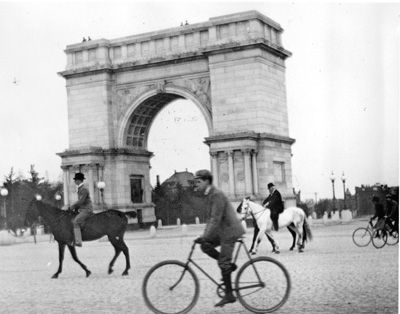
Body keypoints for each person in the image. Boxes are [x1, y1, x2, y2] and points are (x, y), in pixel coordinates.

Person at [193, 169, 245, 308]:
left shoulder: (216, 195)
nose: (196, 185)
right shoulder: (209, 194)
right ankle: (229, 266)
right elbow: (210, 220)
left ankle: (229, 295)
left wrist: (205, 236)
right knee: (205, 245)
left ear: (206, 181)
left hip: (230, 231)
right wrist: (203, 237)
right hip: (223, 231)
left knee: (222, 261)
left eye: (198, 182)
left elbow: (215, 219)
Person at [69, 172, 93, 246]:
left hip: (87, 209)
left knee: (75, 222)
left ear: (79, 180)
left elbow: (81, 201)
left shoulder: (84, 189)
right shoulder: (80, 188)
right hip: (82, 209)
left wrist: (72, 207)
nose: (75, 181)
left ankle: (78, 241)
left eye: (75, 180)